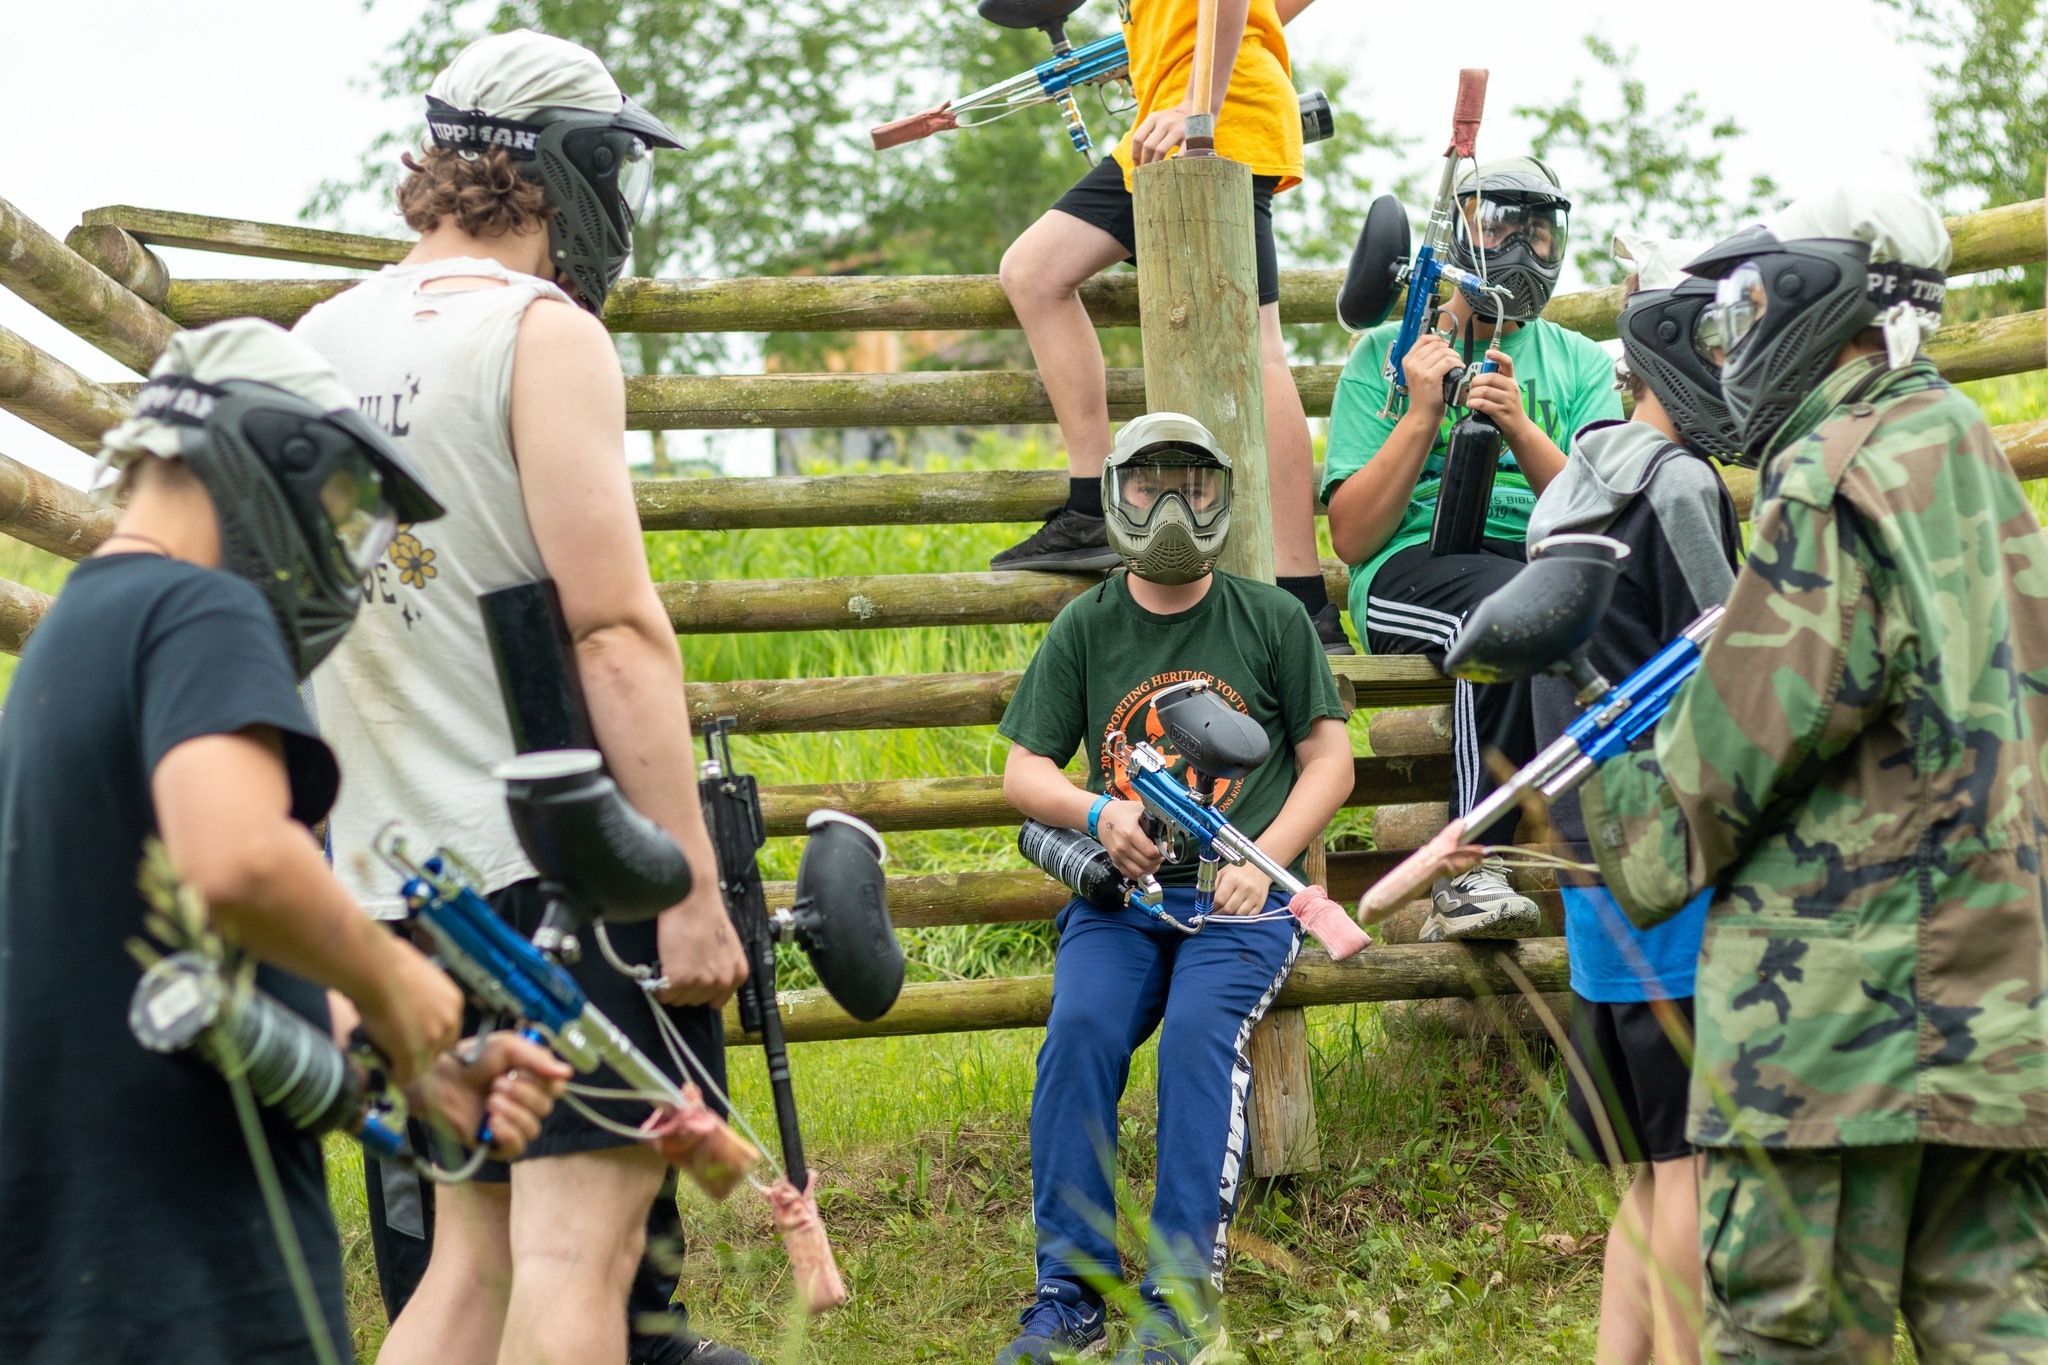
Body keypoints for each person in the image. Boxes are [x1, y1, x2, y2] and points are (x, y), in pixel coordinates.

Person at [290, 30, 754, 1365]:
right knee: (572, 1259)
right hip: (551, 868)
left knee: (465, 1267)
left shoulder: (317, 342)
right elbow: (610, 630)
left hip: (388, 880)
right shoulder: (541, 334)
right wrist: (687, 887)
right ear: (566, 168)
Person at [0, 318, 568, 1364]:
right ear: (273, 456)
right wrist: (403, 985)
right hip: (194, 1276)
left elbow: (187, 960)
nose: (339, 552)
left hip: (80, 1270)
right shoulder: (200, 605)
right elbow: (239, 862)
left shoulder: (79, 633)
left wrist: (420, 1065)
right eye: (341, 504)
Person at [1582, 187, 2048, 1362]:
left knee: (1787, 1336)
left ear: (1816, 296)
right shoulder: (1962, 451)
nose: (1732, 337)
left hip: (1834, 1025)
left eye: (1748, 302)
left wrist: (1607, 821)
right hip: (1997, 1007)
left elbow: (1733, 748)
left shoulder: (1829, 470)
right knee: (1994, 1329)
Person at [994, 412, 1354, 1364]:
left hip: (1243, 904)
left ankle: (1181, 1301)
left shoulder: (1270, 618)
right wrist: (1095, 813)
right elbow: (1024, 770)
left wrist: (1260, 859)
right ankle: (1069, 1295)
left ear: (1223, 495)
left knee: (1199, 1036)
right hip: (1121, 901)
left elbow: (1330, 761)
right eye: (1148, 484)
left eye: (1193, 487)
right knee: (1079, 1032)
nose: (1171, 509)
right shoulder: (1088, 623)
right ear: (1115, 490)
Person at [1523, 233, 1744, 1365]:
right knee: (1693, 1159)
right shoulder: (1681, 482)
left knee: (1654, 1162)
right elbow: (1739, 666)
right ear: (1672, 352)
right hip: (1670, 854)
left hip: (1585, 845)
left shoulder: (1567, 486)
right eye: (1716, 344)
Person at [989, 0, 1352, 656]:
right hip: (1183, 124)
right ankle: (1093, 508)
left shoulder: (1202, 103)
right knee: (1035, 272)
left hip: (1211, 123)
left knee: (1257, 351)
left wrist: (1196, 101)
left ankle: (1301, 602)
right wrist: (1179, 56)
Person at [1321, 156, 1620, 940]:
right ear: (1457, 233)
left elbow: (1600, 516)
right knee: (1502, 611)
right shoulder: (1385, 355)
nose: (1521, 249)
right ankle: (1467, 870)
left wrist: (1519, 426)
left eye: (1540, 233)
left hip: (1536, 560)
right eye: (1499, 227)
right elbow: (1353, 536)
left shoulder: (1581, 362)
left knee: (1589, 611)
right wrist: (1423, 412)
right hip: (1409, 569)